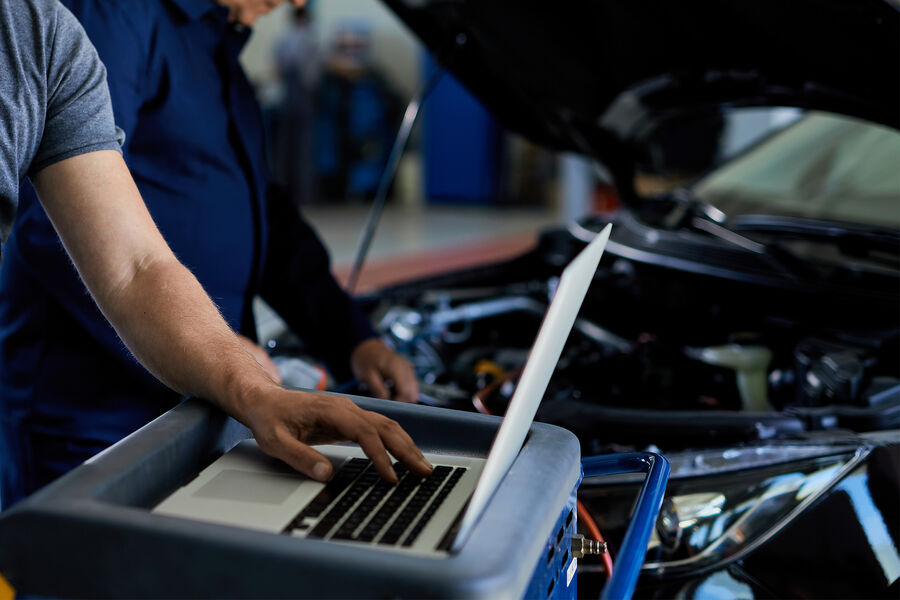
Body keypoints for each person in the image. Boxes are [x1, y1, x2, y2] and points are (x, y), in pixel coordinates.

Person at [0, 0, 431, 509]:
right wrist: (228, 359)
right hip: (92, 408)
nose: (295, 3)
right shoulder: (117, 17)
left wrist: (349, 338)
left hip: (198, 390)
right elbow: (52, 228)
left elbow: (224, 225)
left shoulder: (196, 45)